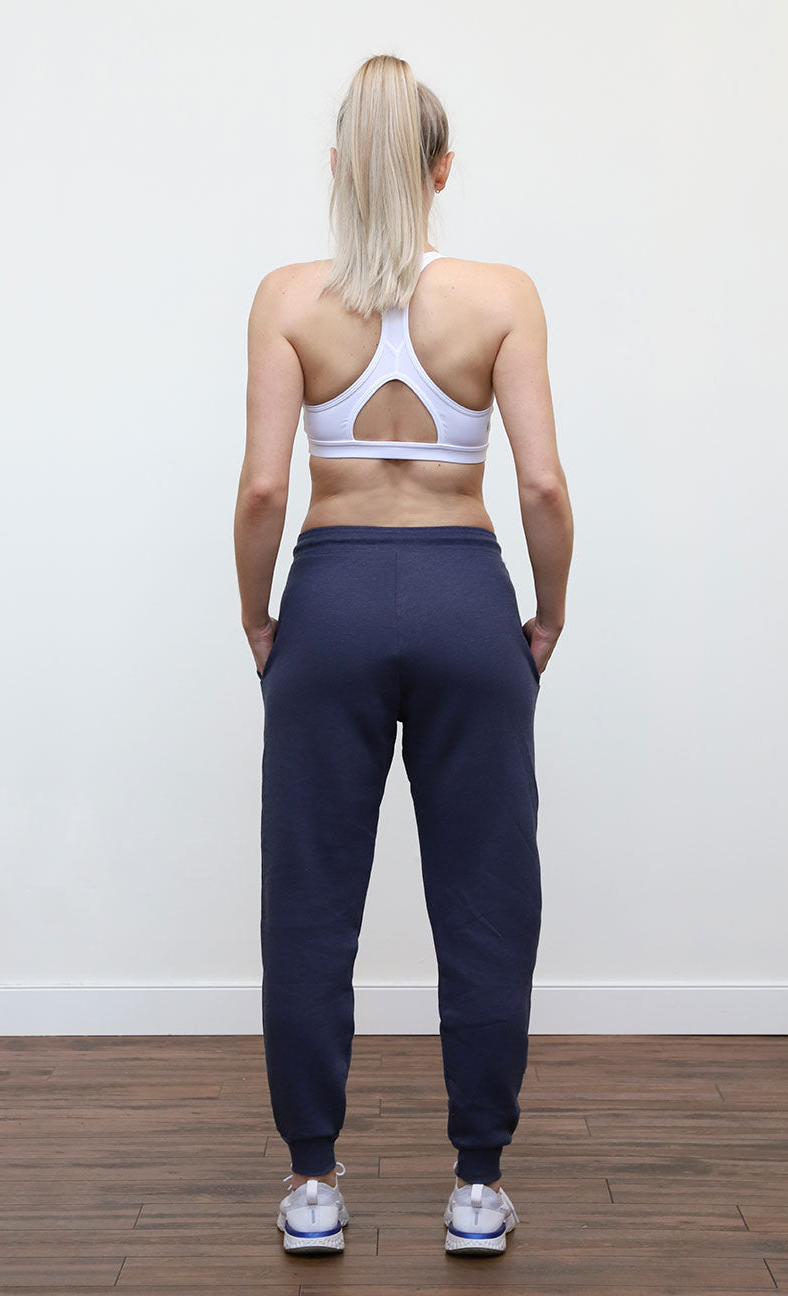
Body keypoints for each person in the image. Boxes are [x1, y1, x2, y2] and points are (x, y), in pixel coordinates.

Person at [234, 53, 573, 1257]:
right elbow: (540, 483)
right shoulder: (501, 296)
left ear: (339, 165)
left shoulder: (287, 298)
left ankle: (312, 1185)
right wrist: (547, 613)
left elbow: (263, 488)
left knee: (310, 899)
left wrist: (258, 618)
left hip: (328, 597)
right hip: (463, 599)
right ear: (441, 170)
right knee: (485, 894)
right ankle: (476, 1187)